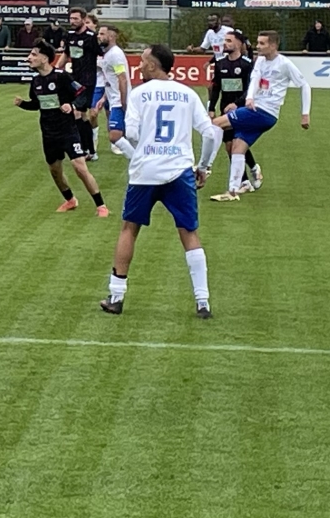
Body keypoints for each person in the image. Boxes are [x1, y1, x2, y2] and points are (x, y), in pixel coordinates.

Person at [103, 44, 224, 318]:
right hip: (180, 170)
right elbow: (210, 133)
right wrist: (203, 167)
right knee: (189, 232)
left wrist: (141, 149)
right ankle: (203, 301)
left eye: (143, 61)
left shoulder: (139, 94)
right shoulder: (187, 93)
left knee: (129, 229)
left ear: (153, 65)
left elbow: (132, 133)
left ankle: (116, 296)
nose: (139, 66)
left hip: (145, 172)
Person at [204, 29, 311, 201]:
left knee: (216, 124)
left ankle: (205, 166)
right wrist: (250, 98)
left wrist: (305, 114)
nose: (257, 46)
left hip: (263, 111)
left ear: (273, 45)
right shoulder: (260, 60)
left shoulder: (284, 63)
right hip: (258, 111)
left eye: (262, 43)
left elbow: (304, 85)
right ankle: (233, 191)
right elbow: (254, 80)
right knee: (237, 147)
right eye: (258, 42)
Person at [16, 40, 102, 214]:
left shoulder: (61, 76)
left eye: (33, 54)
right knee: (55, 171)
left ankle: (101, 206)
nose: (29, 58)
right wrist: (22, 104)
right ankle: (70, 200)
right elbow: (37, 104)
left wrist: (73, 105)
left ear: (45, 58)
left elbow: (82, 93)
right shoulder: (35, 81)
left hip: (68, 131)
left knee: (79, 167)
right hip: (49, 133)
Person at [205, 32, 261, 188]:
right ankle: (246, 178)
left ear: (238, 44)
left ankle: (250, 173)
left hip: (242, 110)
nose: (225, 43)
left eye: (229, 41)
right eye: (225, 40)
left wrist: (237, 104)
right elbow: (216, 87)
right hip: (225, 109)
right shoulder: (220, 63)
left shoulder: (247, 64)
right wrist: (211, 108)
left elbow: (250, 89)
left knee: (238, 143)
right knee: (230, 147)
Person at [61, 8, 103, 159]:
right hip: (75, 79)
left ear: (83, 19)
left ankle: (85, 149)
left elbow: (102, 54)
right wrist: (56, 71)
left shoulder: (91, 37)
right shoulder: (70, 35)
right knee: (82, 116)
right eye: (71, 18)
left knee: (77, 113)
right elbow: (66, 54)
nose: (72, 21)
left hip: (87, 81)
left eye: (76, 19)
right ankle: (90, 151)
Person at [91, 23, 135, 159]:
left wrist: (123, 101)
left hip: (118, 101)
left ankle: (136, 158)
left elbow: (122, 79)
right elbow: (111, 80)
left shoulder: (115, 54)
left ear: (111, 36)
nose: (98, 36)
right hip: (113, 99)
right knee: (126, 135)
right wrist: (104, 98)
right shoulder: (108, 54)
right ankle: (137, 157)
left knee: (115, 136)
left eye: (102, 34)